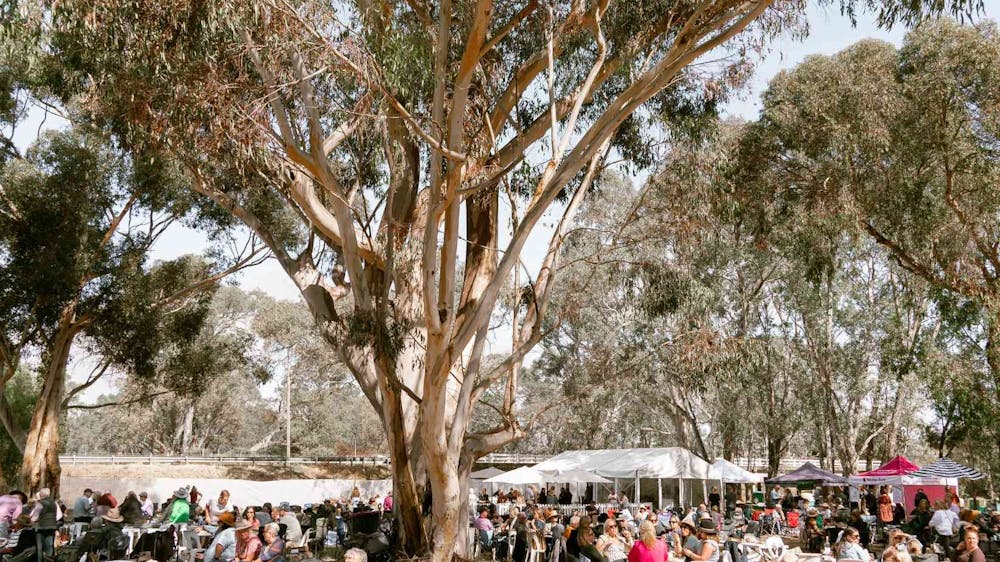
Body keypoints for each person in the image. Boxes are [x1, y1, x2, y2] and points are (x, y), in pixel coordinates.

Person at [30, 488, 61, 562]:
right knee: (49, 546)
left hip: (41, 527)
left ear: (41, 494)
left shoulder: (40, 503)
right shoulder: (53, 503)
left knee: (39, 547)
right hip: (52, 526)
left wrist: (30, 523)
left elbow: (35, 517)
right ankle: (48, 560)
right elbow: (59, 515)